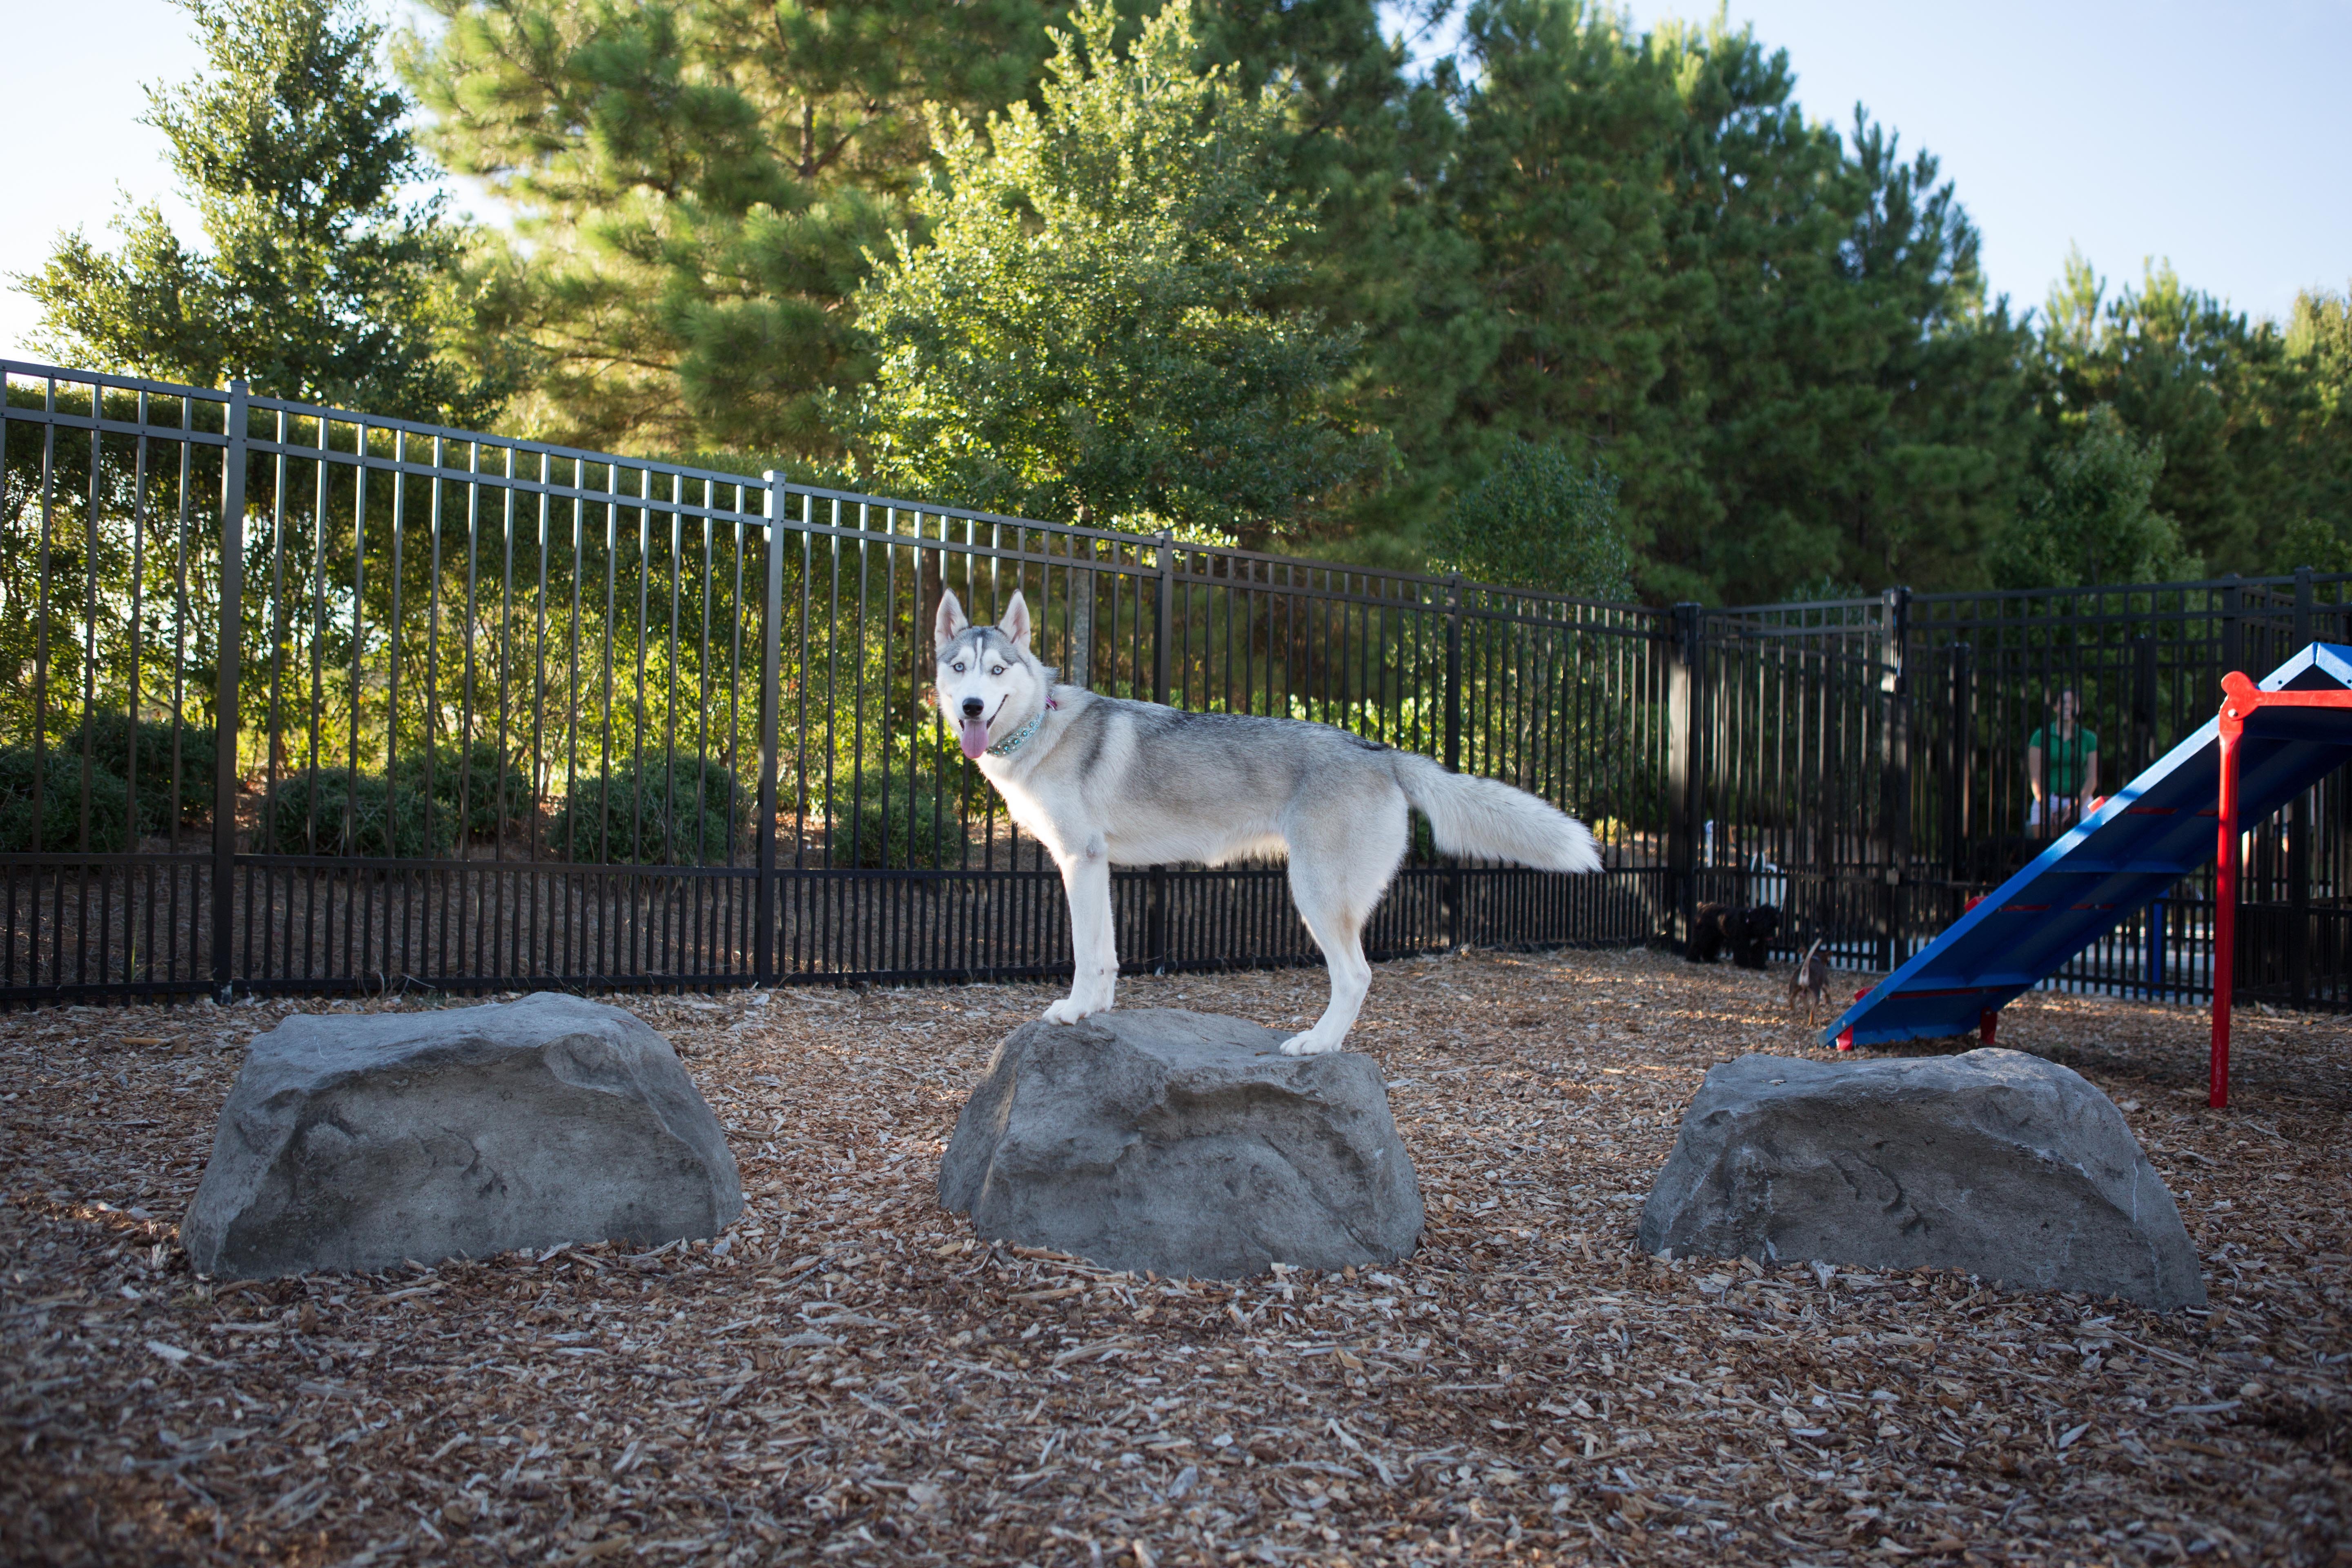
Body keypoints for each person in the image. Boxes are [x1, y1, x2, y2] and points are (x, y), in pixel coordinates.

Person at [2027, 686, 2098, 831]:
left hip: (2081, 800)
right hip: (2047, 800)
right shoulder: (2040, 736)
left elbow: (2092, 778)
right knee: (2045, 848)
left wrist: (2076, 806)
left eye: (2073, 702)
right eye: (2064, 702)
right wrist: (2045, 805)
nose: (2068, 706)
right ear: (2055, 707)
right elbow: (2035, 777)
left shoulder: (2089, 738)